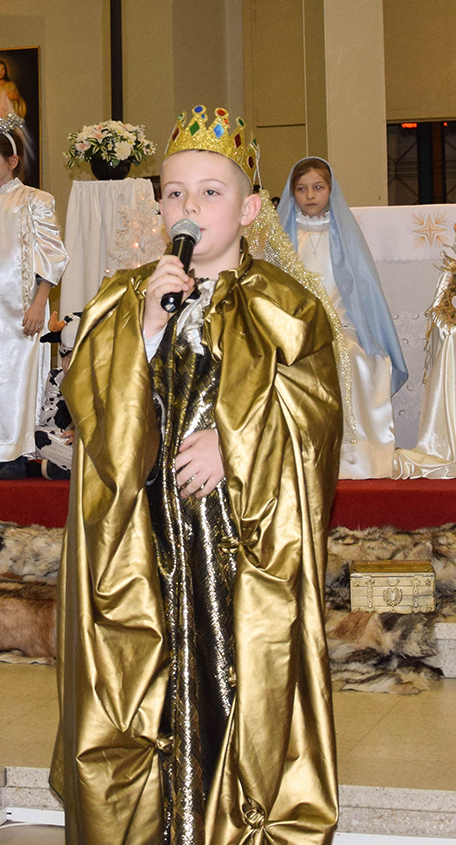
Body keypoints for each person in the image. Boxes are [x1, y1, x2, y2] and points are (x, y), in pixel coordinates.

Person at [53, 105, 342, 845]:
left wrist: (236, 444)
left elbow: (314, 418)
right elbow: (90, 407)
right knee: (142, 688)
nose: (190, 207)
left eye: (211, 193)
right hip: (142, 541)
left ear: (248, 209)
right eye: (175, 193)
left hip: (236, 548)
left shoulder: (287, 306)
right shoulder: (125, 296)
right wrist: (148, 328)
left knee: (233, 682)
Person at [279, 156, 409, 478]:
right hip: (296, 325)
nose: (310, 195)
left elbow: (363, 288)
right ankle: (301, 457)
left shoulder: (343, 233)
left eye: (318, 187)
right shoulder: (283, 237)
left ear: (330, 190)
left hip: (341, 322)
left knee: (354, 356)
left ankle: (355, 457)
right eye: (302, 189)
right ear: (292, 193)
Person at [0, 114, 67, 479]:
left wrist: (39, 302)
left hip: (23, 308)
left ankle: (20, 452)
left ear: (11, 161)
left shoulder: (35, 200)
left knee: (20, 377)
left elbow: (53, 254)